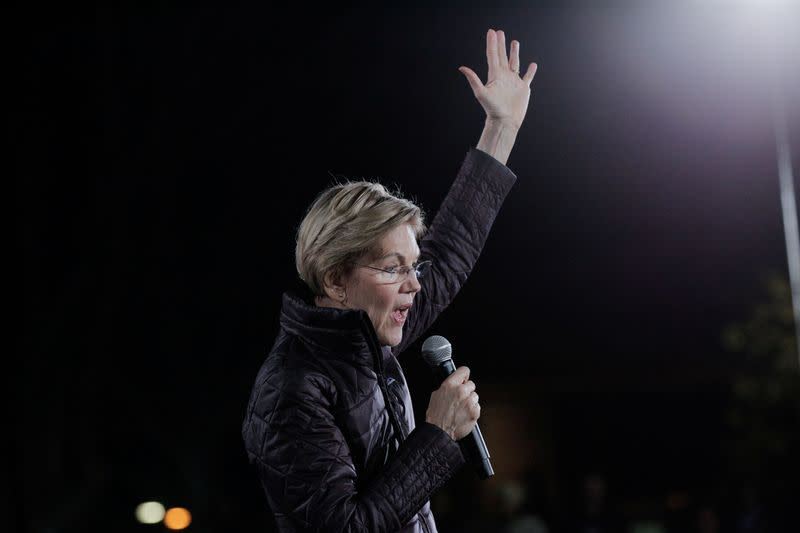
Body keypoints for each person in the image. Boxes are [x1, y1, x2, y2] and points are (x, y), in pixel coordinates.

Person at [241, 28, 537, 532]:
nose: (415, 283)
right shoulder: (291, 389)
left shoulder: (366, 337)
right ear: (336, 279)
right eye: (393, 267)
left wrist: (501, 127)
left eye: (411, 264)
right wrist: (439, 434)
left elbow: (450, 251)